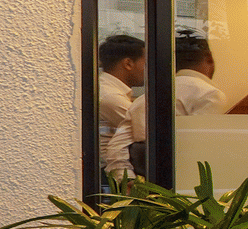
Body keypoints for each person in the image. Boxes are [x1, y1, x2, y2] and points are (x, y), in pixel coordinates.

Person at [128, 33, 232, 149]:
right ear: (209, 57)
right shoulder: (210, 95)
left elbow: (117, 146)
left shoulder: (145, 98)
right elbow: (202, 146)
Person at [96, 34, 145, 176]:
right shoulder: (111, 97)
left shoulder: (107, 89)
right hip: (111, 173)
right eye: (146, 63)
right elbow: (147, 131)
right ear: (128, 63)